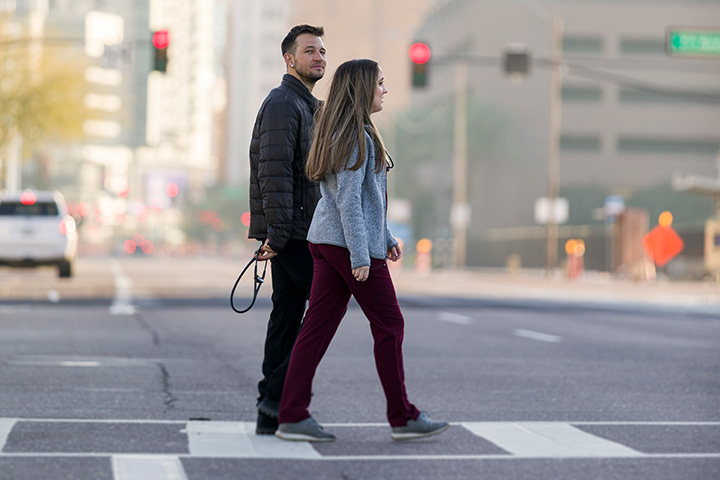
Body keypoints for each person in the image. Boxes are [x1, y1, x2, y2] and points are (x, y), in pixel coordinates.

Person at [275, 59, 450, 442]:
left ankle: (291, 414)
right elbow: (350, 203)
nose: (385, 90)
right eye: (381, 84)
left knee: (316, 328)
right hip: (346, 245)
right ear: (362, 90)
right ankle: (402, 416)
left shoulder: (342, 132)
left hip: (325, 240)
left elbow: (360, 199)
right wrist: (360, 256)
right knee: (390, 326)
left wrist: (384, 237)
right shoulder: (356, 137)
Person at [247, 24, 327, 435]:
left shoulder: (305, 104)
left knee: (287, 317)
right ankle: (279, 401)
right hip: (294, 233)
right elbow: (273, 173)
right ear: (289, 59)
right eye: (309, 50)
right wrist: (277, 236)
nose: (319, 57)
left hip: (297, 231)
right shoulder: (283, 103)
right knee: (323, 312)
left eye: (322, 51)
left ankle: (272, 408)